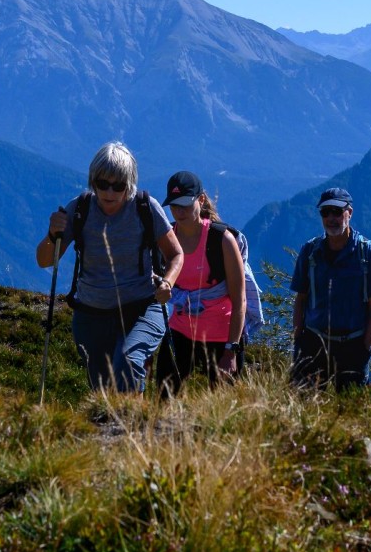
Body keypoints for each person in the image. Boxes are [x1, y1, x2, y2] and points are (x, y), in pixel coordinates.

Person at [37, 141, 183, 394]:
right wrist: (52, 234)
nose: (110, 192)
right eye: (102, 184)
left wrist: (167, 282)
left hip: (141, 307)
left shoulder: (145, 208)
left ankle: (130, 427)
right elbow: (45, 260)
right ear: (92, 181)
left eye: (119, 186)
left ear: (130, 185)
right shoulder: (79, 209)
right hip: (91, 314)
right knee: (102, 388)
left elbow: (176, 254)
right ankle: (117, 429)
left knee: (128, 364)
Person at [155, 170, 247, 396]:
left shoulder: (222, 240)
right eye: (174, 206)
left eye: (186, 204)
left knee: (225, 410)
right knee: (164, 399)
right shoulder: (166, 238)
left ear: (201, 200)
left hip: (222, 338)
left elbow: (239, 300)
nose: (179, 211)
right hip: (180, 331)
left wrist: (231, 351)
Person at [290, 187, 371, 390]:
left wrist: (365, 349)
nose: (331, 218)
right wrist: (298, 339)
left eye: (336, 211)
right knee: (303, 406)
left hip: (352, 347)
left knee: (349, 411)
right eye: (325, 212)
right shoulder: (310, 252)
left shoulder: (368, 254)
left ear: (349, 213)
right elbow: (300, 299)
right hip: (312, 343)